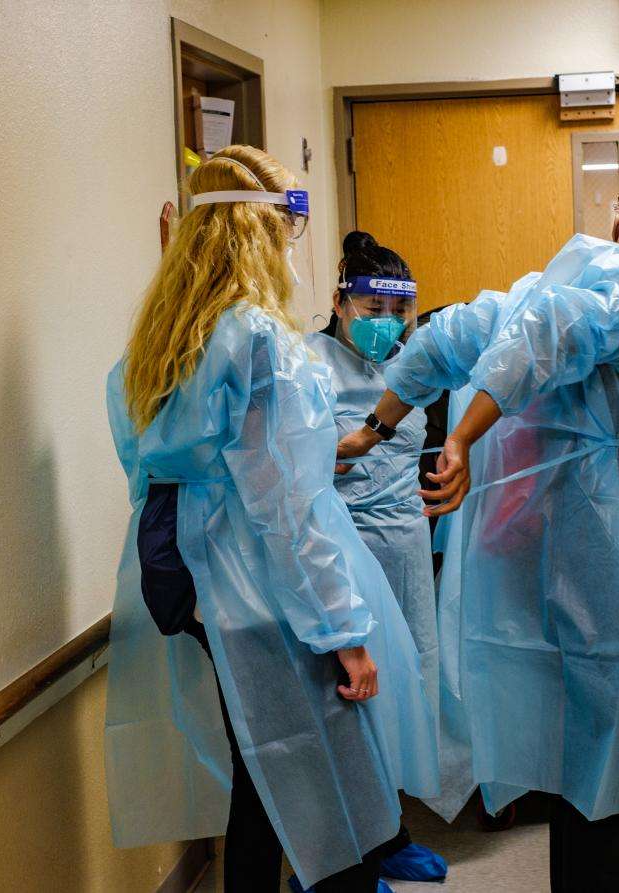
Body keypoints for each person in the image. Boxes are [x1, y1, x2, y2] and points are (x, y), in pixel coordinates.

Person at [338, 160, 619, 891]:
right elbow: (547, 333)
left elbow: (449, 338)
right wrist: (461, 437)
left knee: (573, 735)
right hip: (610, 539)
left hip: (538, 537)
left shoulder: (546, 286)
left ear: (617, 222)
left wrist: (375, 428)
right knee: (617, 724)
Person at [103, 145, 439, 892]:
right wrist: (344, 633)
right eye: (287, 230)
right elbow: (291, 510)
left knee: (261, 768)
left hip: (194, 583)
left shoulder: (157, 344)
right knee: (333, 781)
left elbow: (143, 467)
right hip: (263, 589)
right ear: (260, 233)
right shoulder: (261, 343)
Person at [305, 232, 448, 885]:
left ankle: (389, 833)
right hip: (345, 553)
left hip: (408, 552)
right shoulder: (308, 366)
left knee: (402, 695)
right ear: (338, 302)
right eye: (370, 312)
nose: (385, 327)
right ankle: (337, 858)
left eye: (398, 315)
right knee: (346, 706)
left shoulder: (412, 366)